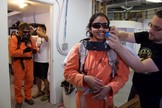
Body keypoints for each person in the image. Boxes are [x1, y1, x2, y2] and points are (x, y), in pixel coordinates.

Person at [64, 13, 130, 108]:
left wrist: (110, 87)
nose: (101, 29)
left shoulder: (115, 50)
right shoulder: (79, 48)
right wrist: (84, 78)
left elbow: (123, 76)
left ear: (109, 29)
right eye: (96, 25)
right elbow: (68, 72)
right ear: (90, 29)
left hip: (106, 101)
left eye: (105, 25)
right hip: (84, 101)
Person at [107, 10, 162, 108]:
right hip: (136, 88)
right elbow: (128, 35)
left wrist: (118, 47)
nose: (150, 30)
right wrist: (117, 34)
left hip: (153, 95)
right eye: (151, 25)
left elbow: (140, 67)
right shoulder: (147, 36)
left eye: (156, 28)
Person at [9, 22, 38, 108]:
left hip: (29, 62)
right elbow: (12, 53)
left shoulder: (30, 37)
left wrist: (34, 50)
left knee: (29, 81)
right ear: (20, 30)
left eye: (27, 32)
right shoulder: (14, 39)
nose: (26, 34)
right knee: (18, 83)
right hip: (18, 63)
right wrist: (23, 51)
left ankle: (28, 97)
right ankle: (19, 100)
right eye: (24, 32)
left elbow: (34, 48)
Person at [31, 25, 50, 101]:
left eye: (39, 30)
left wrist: (35, 30)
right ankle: (39, 92)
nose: (38, 31)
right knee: (37, 78)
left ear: (44, 31)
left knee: (45, 78)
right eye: (37, 30)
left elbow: (44, 36)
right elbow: (31, 36)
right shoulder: (37, 38)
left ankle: (46, 93)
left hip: (44, 61)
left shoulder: (46, 38)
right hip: (36, 61)